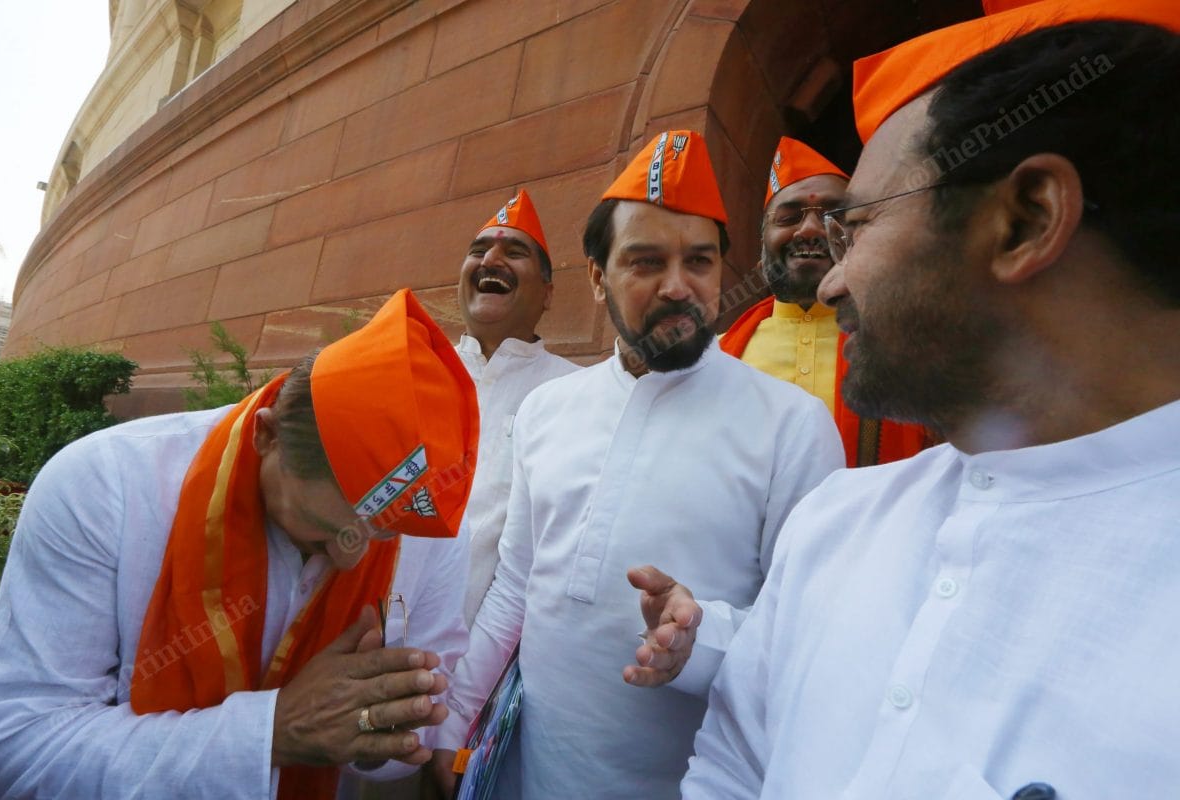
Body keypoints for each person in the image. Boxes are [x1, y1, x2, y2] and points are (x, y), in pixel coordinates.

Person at [679, 1, 1180, 797]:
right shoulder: (836, 523)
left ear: (1026, 220)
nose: (833, 278)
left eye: (858, 225)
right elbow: (732, 765)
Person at [435, 130, 844, 799]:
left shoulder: (792, 428)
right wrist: (451, 728)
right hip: (526, 770)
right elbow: (515, 584)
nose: (679, 287)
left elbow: (806, 631)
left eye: (700, 262)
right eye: (646, 261)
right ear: (598, 277)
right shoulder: (547, 409)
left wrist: (699, 639)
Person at [0, 290, 479, 799]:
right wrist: (270, 736)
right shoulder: (104, 486)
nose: (352, 556)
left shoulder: (427, 524)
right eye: (320, 531)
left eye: (378, 536)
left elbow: (415, 739)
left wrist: (375, 725)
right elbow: (12, 746)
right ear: (267, 436)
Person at [720, 136, 931, 466]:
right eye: (789, 218)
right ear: (761, 245)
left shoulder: (917, 346)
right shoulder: (716, 358)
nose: (810, 229)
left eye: (834, 215)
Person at [455, 189, 578, 627]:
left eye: (514, 251)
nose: (490, 260)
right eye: (479, 250)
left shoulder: (576, 392)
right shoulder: (413, 369)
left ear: (546, 294)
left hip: (495, 659)